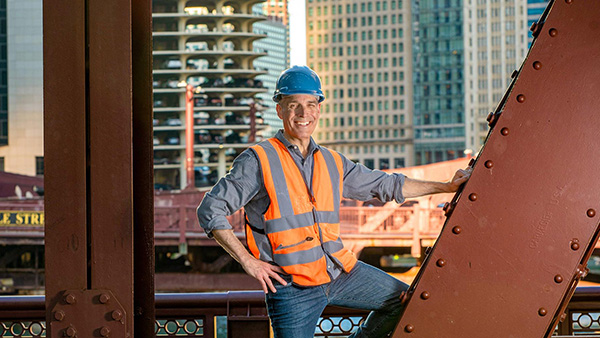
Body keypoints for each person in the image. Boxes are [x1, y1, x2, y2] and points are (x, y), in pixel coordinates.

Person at [197, 65, 471, 338]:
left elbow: (387, 185)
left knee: (404, 302)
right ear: (280, 110)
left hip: (341, 273)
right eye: (294, 105)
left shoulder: (331, 161)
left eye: (311, 104)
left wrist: (446, 186)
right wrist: (248, 261)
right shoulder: (258, 160)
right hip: (292, 287)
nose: (304, 114)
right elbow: (211, 209)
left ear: (318, 109)